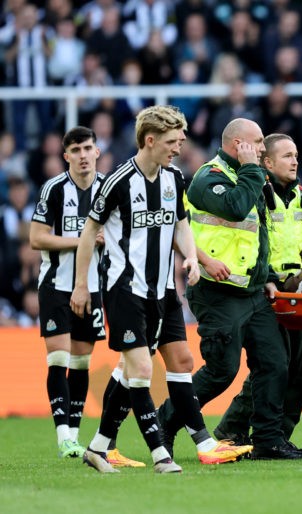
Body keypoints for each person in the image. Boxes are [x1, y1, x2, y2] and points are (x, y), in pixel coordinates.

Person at [158, 118, 302, 460]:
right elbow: (235, 207)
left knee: (275, 364)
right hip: (216, 292)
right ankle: (164, 422)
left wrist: (266, 276)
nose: (261, 148)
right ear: (237, 144)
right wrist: (252, 169)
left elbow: (258, 236)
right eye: (256, 142)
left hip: (251, 292)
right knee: (221, 372)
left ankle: (268, 440)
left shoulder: (246, 176)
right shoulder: (207, 178)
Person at [70, 105, 199, 473]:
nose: (179, 147)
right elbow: (88, 233)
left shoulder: (175, 179)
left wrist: (190, 256)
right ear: (150, 140)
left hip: (162, 291)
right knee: (141, 367)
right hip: (123, 288)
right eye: (173, 141)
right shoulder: (118, 182)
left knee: (131, 372)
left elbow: (181, 224)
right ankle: (160, 454)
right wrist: (82, 286)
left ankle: (97, 448)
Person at [212, 133, 302, 456]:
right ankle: (266, 437)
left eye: (296, 154)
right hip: (267, 290)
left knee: (295, 370)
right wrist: (269, 279)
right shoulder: (256, 192)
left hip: (295, 292)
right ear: (267, 163)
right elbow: (253, 243)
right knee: (275, 367)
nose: (295, 161)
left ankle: (244, 430)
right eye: (287, 156)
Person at [29, 126, 107, 458]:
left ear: (97, 152)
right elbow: (37, 238)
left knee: (81, 362)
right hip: (56, 285)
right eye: (75, 151)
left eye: (88, 148)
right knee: (58, 359)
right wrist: (84, 239)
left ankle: (74, 436)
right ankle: (63, 435)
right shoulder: (55, 189)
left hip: (95, 286)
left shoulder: (109, 188)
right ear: (66, 157)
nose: (83, 155)